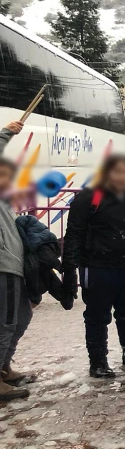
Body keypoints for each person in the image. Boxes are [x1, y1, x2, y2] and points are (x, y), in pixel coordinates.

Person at [62, 154, 125, 378]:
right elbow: (74, 234)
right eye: (117, 172)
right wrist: (69, 269)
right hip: (96, 266)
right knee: (97, 315)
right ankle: (98, 361)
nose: (122, 177)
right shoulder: (88, 198)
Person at [0, 120, 34, 400]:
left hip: (14, 267)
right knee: (6, 322)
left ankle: (4, 367)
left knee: (22, 317)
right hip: (4, 266)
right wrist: (6, 134)